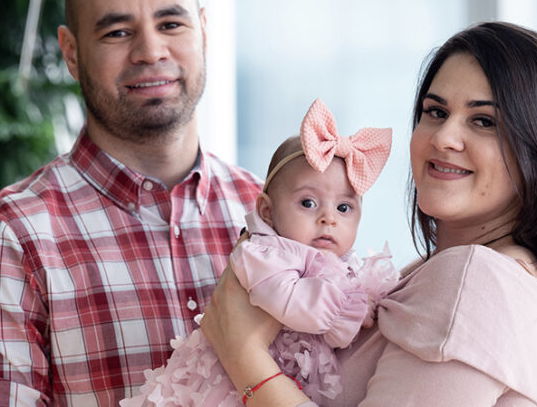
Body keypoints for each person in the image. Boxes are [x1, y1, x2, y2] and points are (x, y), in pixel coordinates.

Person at [200, 22, 537, 407]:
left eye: (483, 121)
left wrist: (245, 358)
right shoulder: (442, 275)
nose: (444, 137)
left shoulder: (474, 280)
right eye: (435, 112)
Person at [0, 0, 262, 406]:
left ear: (202, 31)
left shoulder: (273, 214)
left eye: (171, 24)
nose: (150, 50)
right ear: (71, 52)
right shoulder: (6, 239)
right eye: (118, 32)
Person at [121, 98, 398, 407]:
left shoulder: (330, 262)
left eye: (344, 208)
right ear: (267, 211)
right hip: (216, 388)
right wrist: (352, 308)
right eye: (308, 202)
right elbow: (292, 301)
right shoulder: (263, 253)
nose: (328, 218)